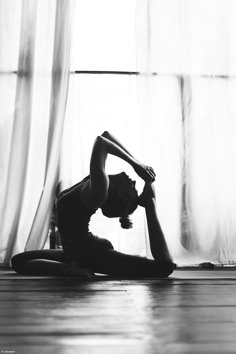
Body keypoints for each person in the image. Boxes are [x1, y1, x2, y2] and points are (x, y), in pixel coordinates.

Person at [11, 131, 174, 278]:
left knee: (162, 268)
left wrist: (136, 166)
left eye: (133, 187)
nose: (132, 180)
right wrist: (139, 164)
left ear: (120, 195)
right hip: (75, 251)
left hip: (93, 253)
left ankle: (150, 204)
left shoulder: (100, 190)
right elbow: (106, 135)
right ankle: (72, 266)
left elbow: (101, 142)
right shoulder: (100, 184)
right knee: (19, 260)